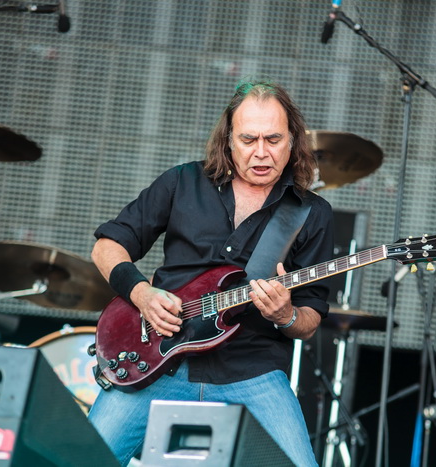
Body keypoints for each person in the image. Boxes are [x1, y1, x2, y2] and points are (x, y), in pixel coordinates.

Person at [87, 79, 334, 466]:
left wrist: (286, 315)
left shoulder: (311, 213)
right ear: (228, 141)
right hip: (156, 363)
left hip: (252, 372)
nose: (261, 152)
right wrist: (142, 294)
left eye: (273, 139)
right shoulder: (181, 182)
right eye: (248, 139)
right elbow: (106, 246)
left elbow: (310, 320)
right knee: (80, 458)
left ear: (292, 141)